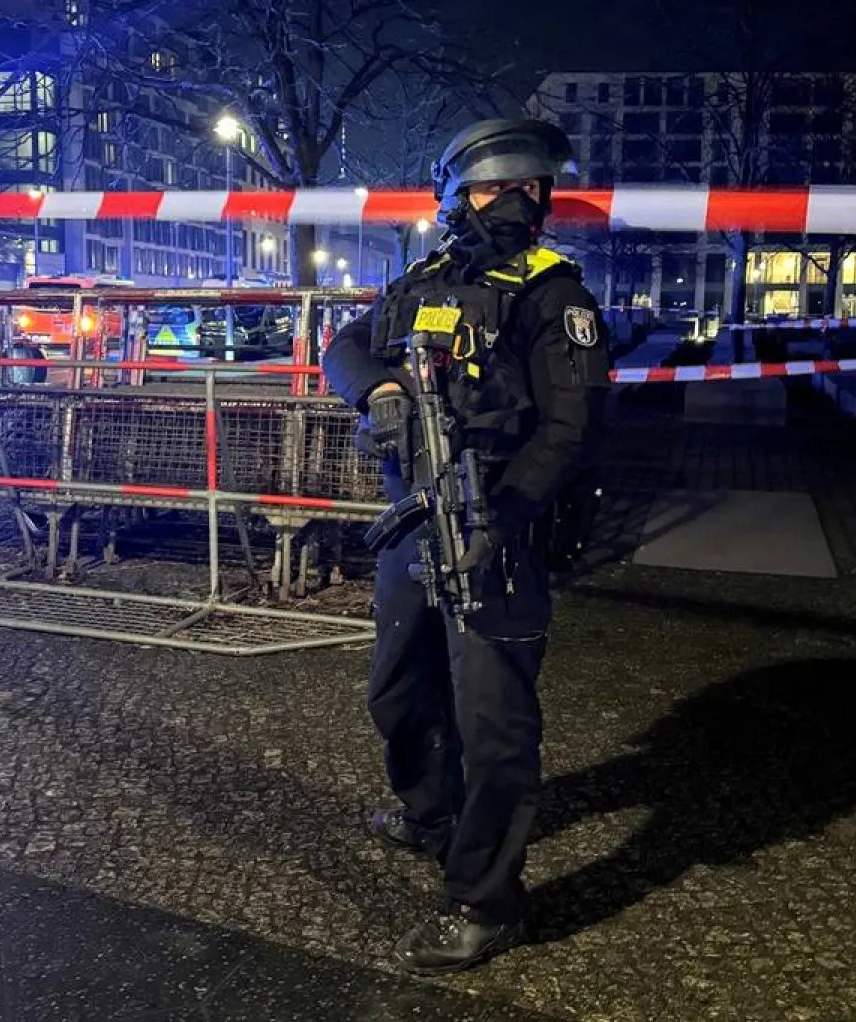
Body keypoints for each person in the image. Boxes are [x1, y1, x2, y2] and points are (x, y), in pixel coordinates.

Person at [321, 118, 611, 975]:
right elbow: (343, 345)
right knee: (399, 691)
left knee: (496, 727)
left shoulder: (556, 295)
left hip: (499, 532)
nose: (514, 202)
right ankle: (430, 813)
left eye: (528, 188)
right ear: (457, 195)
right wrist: (377, 389)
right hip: (415, 517)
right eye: (495, 188)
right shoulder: (426, 279)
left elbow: (573, 430)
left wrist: (504, 520)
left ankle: (484, 899)